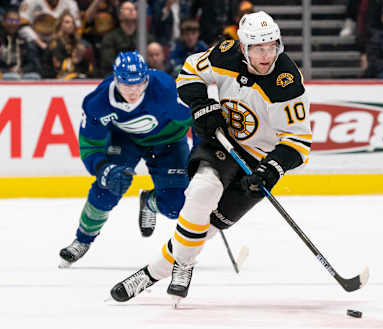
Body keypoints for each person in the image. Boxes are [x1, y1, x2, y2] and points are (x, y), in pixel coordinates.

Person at [110, 11, 312, 304]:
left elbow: (298, 141)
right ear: (244, 47)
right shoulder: (226, 54)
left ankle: (159, 270)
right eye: (258, 48)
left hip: (262, 160)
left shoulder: (288, 82)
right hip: (224, 140)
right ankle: (167, 270)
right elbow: (190, 71)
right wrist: (203, 105)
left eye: (271, 47)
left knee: (210, 226)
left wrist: (272, 169)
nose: (266, 55)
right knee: (203, 192)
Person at [59, 51, 193, 266]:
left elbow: (196, 117)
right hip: (125, 141)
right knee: (109, 187)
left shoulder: (165, 88)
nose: (134, 91)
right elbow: (89, 146)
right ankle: (82, 240)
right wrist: (103, 169)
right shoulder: (97, 102)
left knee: (175, 206)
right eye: (127, 85)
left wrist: (200, 152)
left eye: (139, 84)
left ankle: (149, 202)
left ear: (146, 79)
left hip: (169, 142)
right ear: (115, 80)